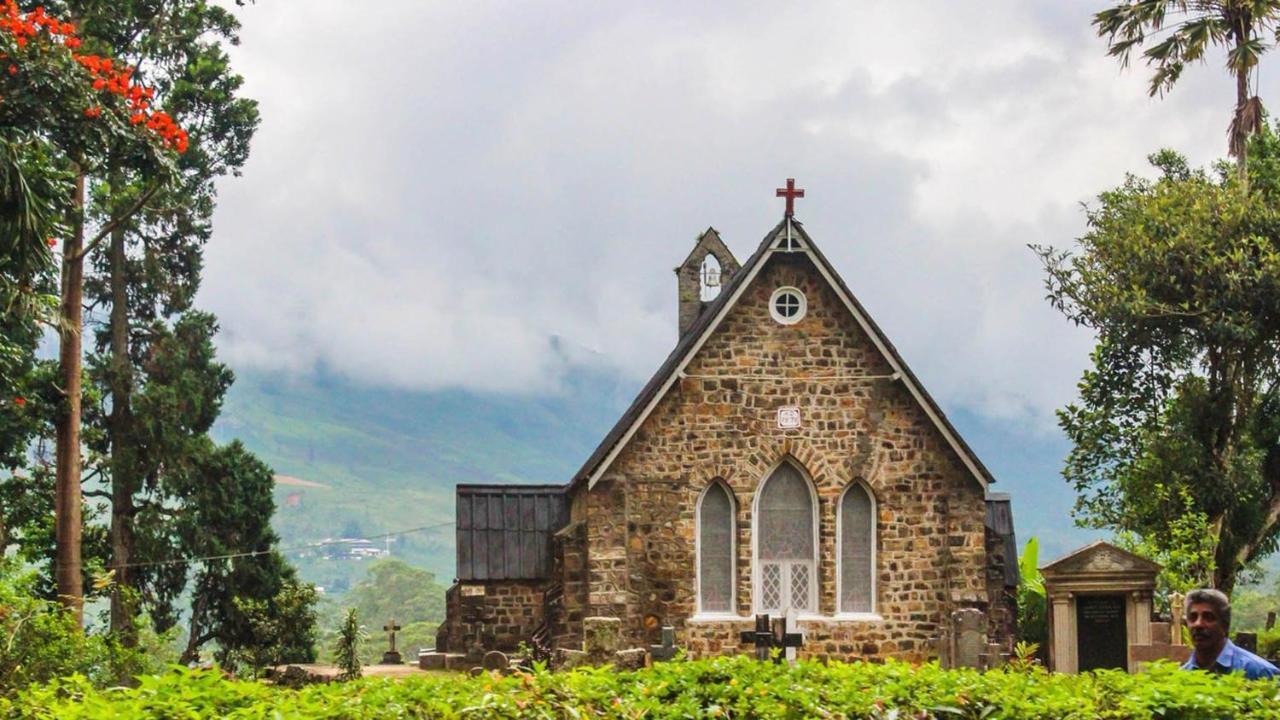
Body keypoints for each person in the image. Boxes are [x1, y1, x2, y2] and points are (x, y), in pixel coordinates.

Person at [1181, 588, 1279, 679]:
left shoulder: (1260, 672)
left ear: (1225, 624)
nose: (1198, 624)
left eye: (1208, 617)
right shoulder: (1183, 676)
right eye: (1193, 618)